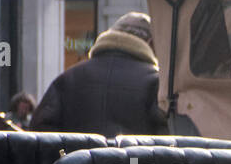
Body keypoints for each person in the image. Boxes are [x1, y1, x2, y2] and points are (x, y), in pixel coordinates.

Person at [31, 11, 166, 136]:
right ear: (151, 43)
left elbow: (40, 132)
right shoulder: (156, 82)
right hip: (134, 162)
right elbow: (167, 138)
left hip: (78, 161)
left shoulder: (68, 78)